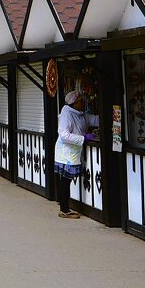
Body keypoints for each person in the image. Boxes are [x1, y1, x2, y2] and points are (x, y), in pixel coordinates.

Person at [54, 90, 99, 218]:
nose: (83, 103)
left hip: (72, 152)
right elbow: (64, 135)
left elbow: (94, 120)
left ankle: (64, 208)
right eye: (80, 101)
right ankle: (64, 209)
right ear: (74, 103)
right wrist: (84, 138)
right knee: (65, 181)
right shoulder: (66, 114)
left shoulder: (80, 114)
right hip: (66, 153)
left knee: (66, 180)